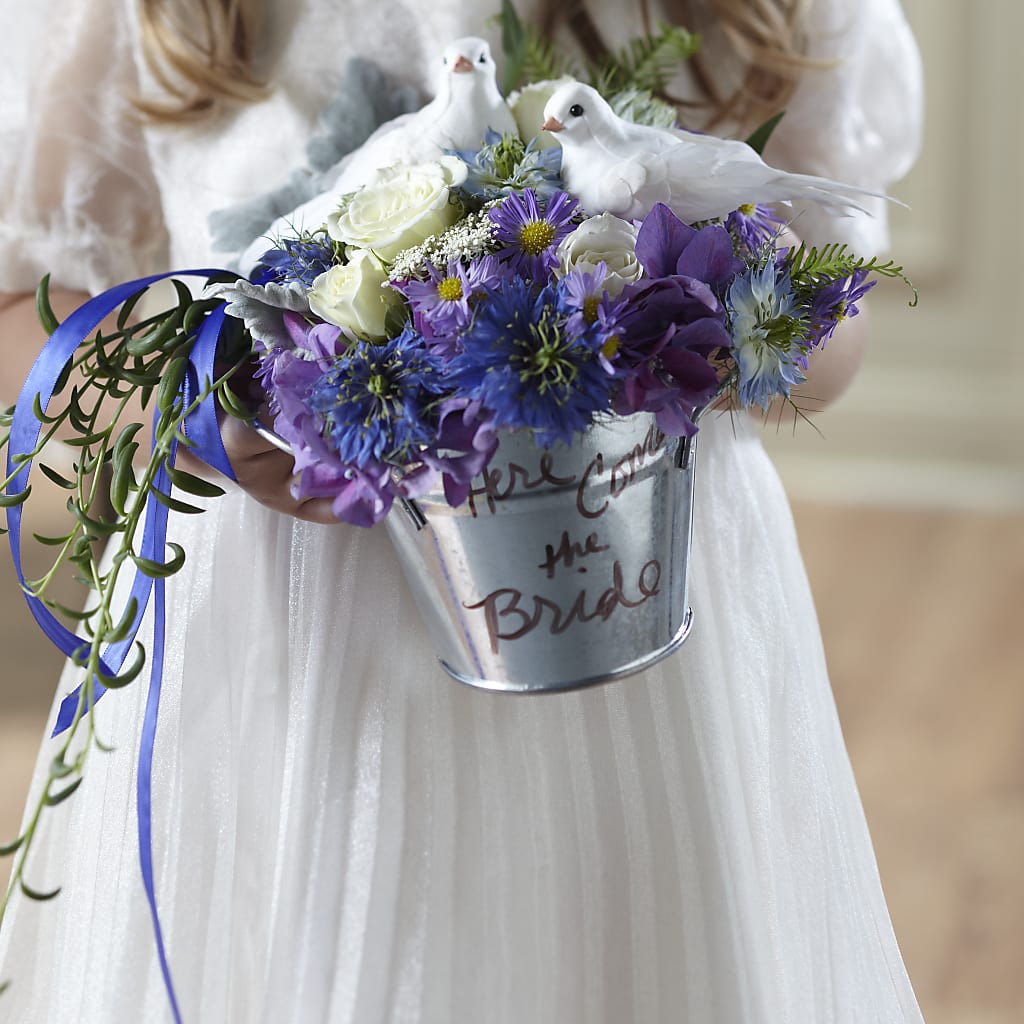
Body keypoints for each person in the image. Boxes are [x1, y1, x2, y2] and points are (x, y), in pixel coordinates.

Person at [0, 0, 924, 1020]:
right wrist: (186, 401)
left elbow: (838, 305)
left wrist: (707, 329)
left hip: (625, 573)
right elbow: (30, 310)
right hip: (282, 630)